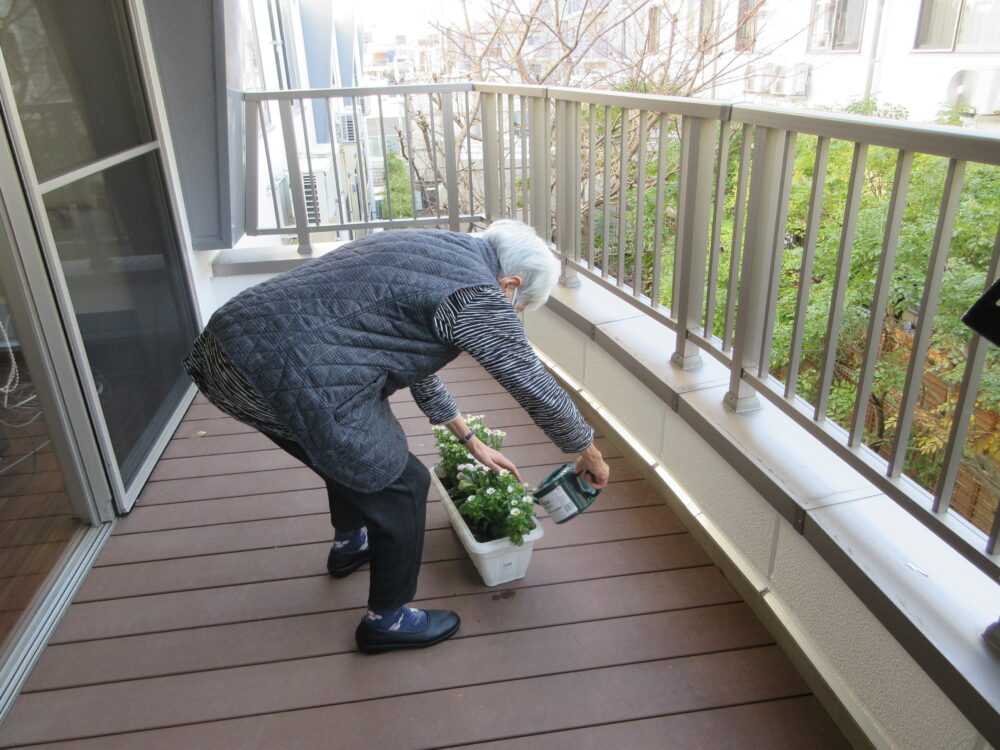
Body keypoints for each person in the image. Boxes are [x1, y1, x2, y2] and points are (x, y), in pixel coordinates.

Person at [183, 219, 609, 653]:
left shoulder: (431, 246)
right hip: (277, 373)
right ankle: (386, 620)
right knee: (402, 485)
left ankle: (351, 543)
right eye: (516, 305)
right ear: (511, 282)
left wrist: (467, 438)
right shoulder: (479, 293)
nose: (509, 313)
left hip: (227, 347)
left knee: (340, 447)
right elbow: (528, 379)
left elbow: (408, 350)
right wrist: (589, 453)